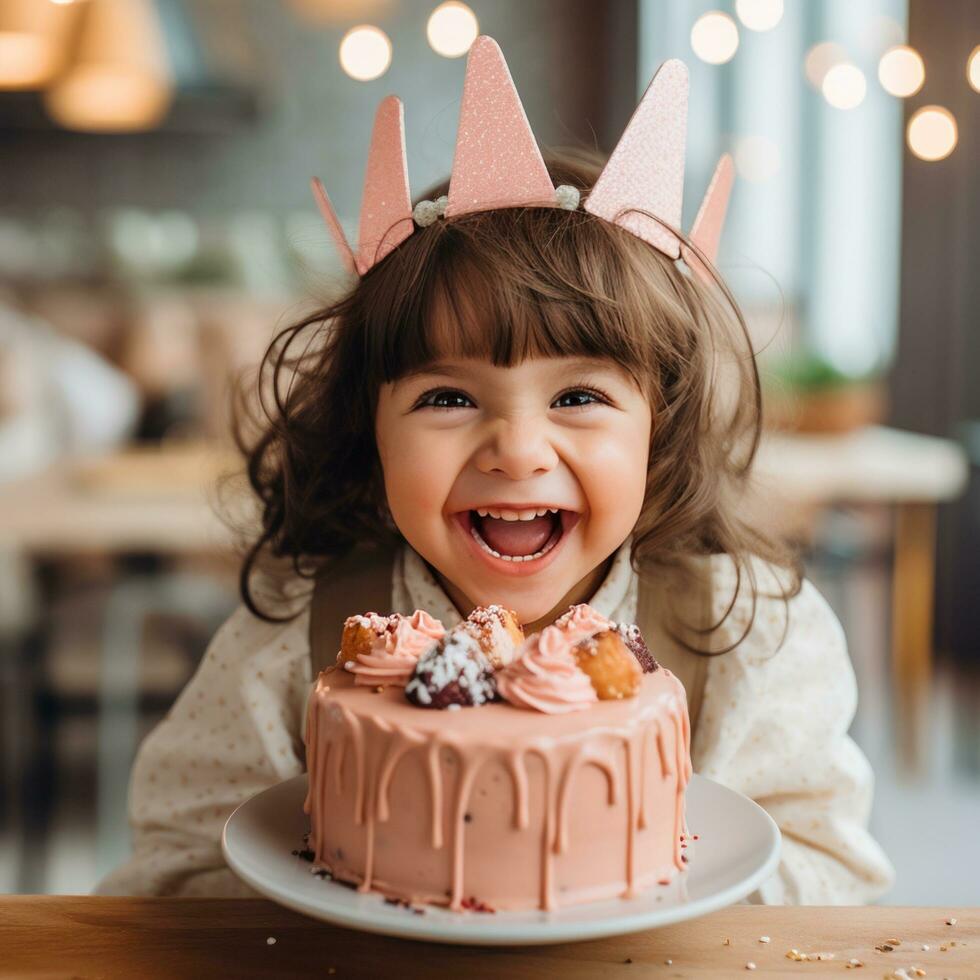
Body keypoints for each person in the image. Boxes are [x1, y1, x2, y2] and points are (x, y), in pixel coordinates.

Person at [95, 38, 894, 903]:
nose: (517, 449)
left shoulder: (752, 638)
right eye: (447, 399)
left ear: (659, 426)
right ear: (372, 430)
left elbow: (832, 872)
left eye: (579, 396)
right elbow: (171, 870)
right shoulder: (293, 639)